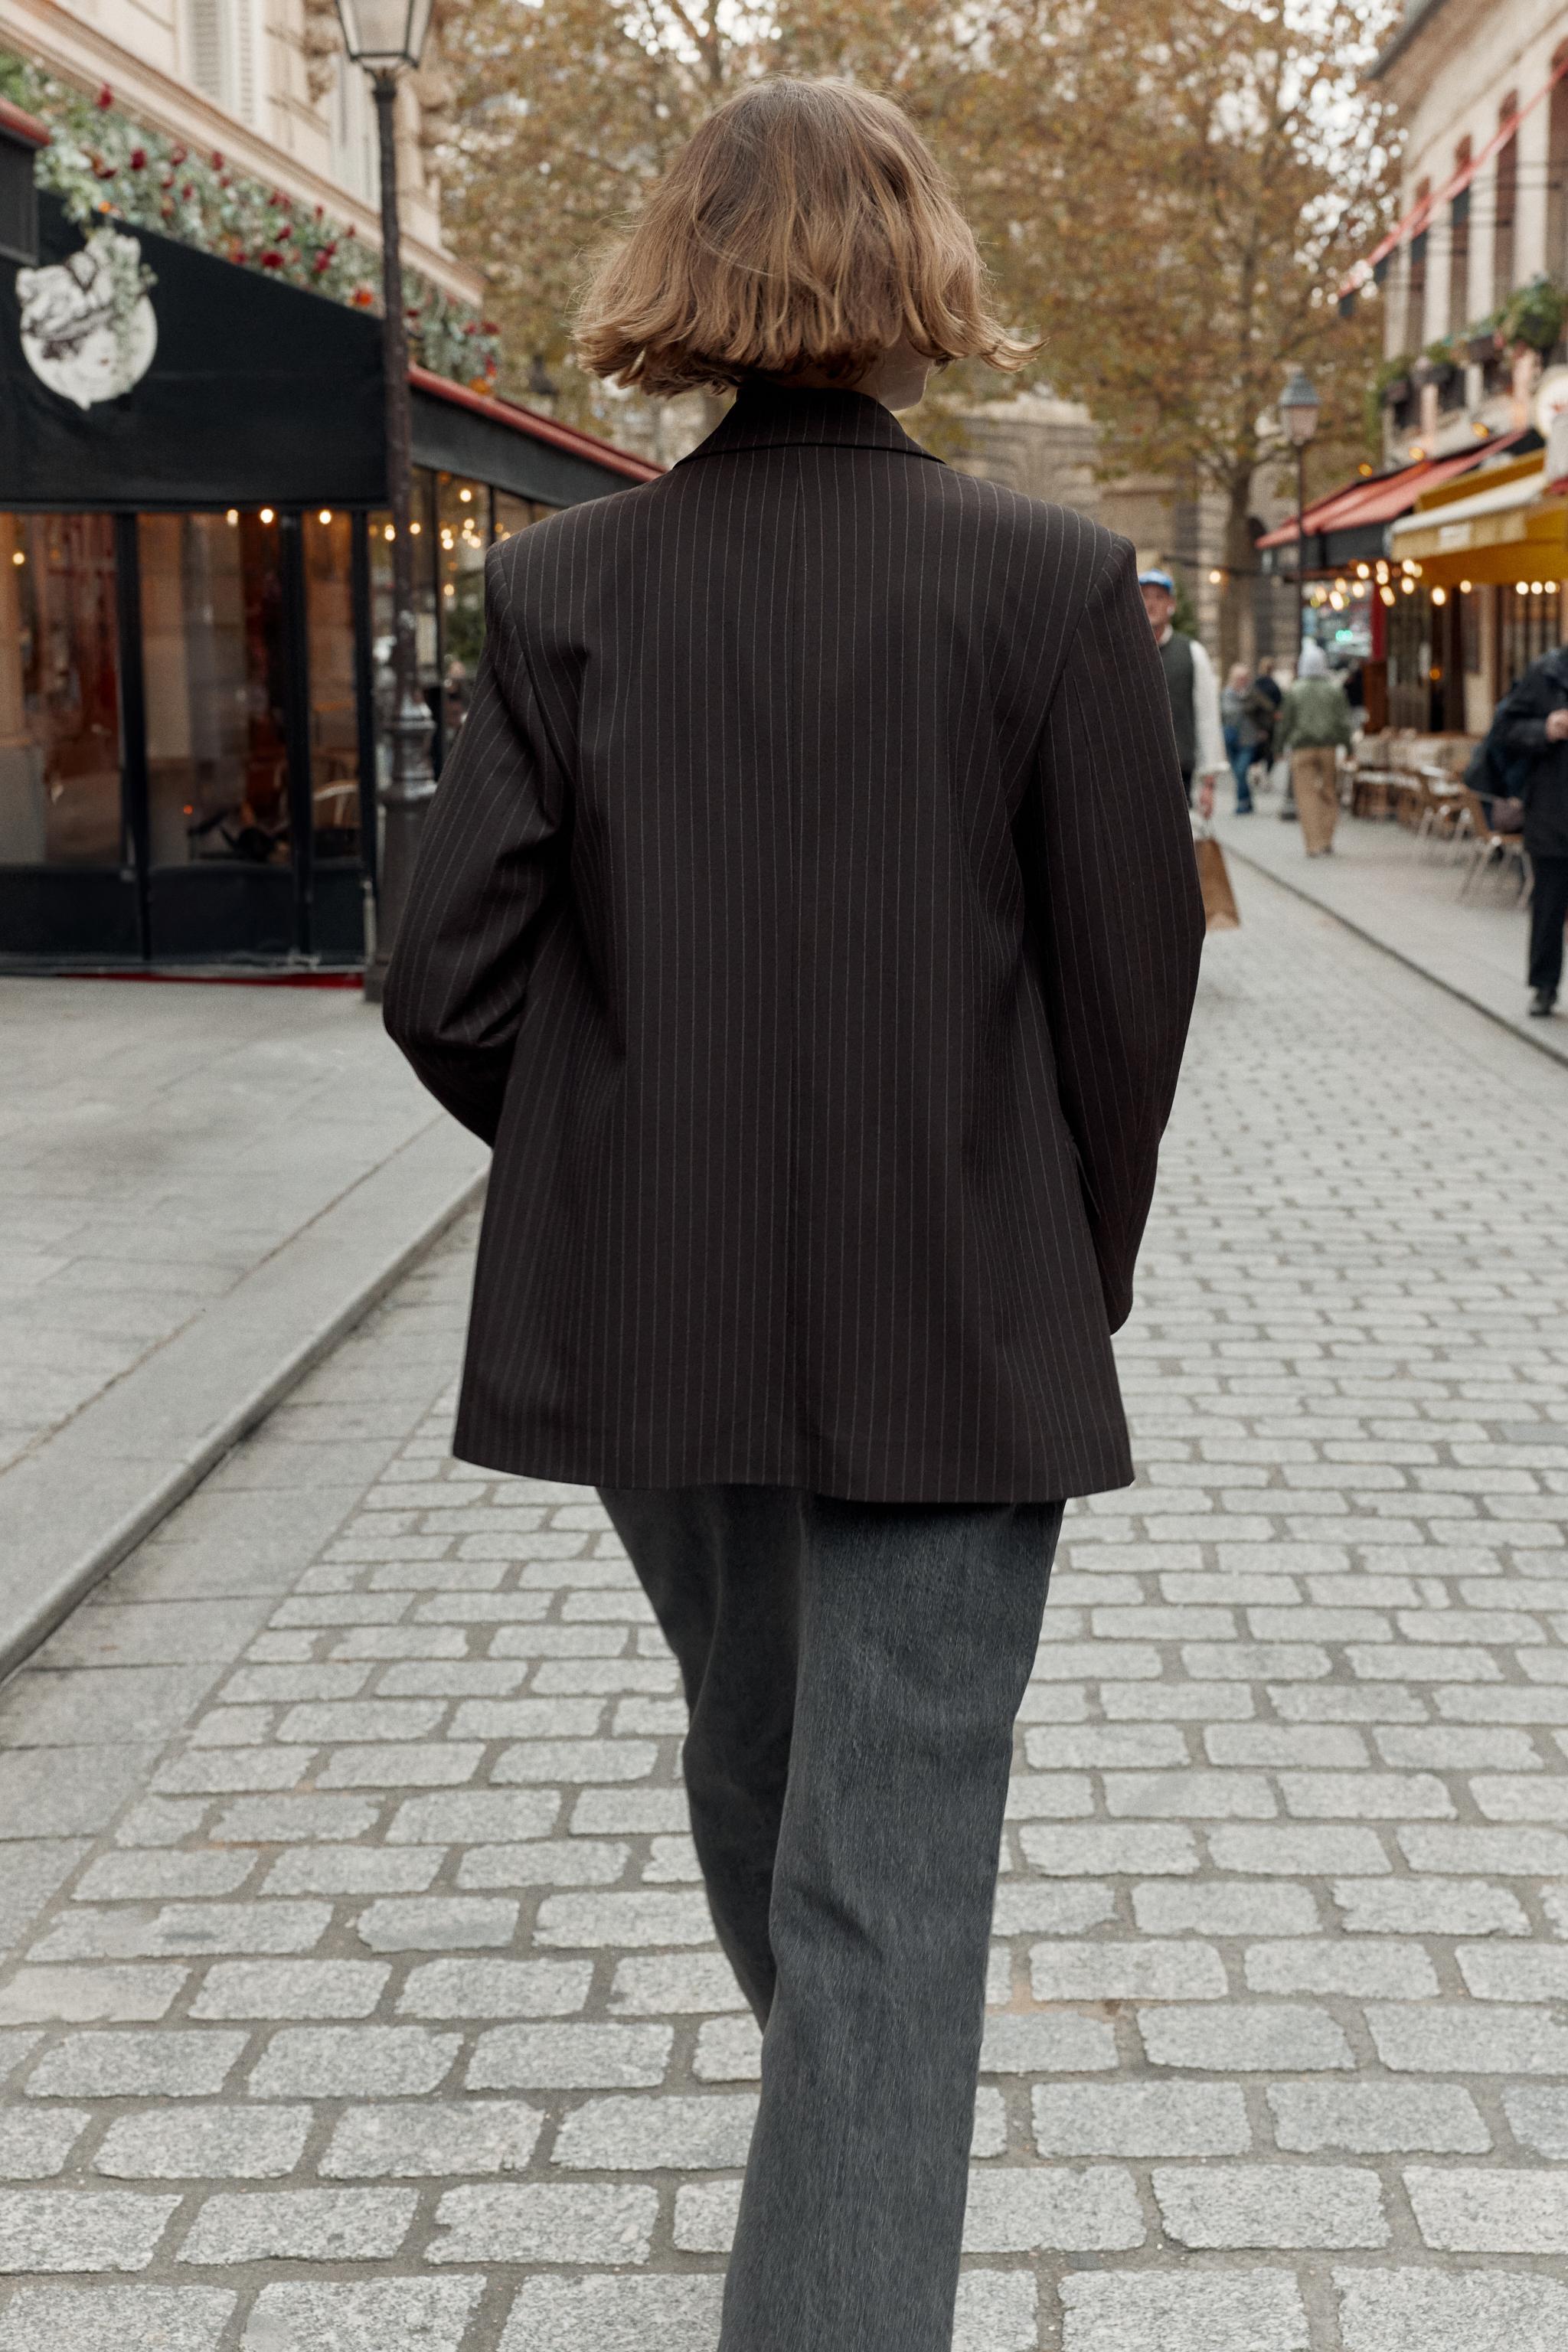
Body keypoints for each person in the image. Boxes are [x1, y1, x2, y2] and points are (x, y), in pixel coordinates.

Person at [384, 76, 1203, 2352]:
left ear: (679, 274)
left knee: (769, 1769)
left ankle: (830, 2132)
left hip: (667, 1329)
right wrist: (1065, 1260)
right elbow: (1128, 999)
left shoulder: (560, 587)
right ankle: (849, 2159)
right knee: (871, 1858)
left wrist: (619, 1163)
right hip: (951, 1314)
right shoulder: (1049, 587)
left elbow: (439, 979)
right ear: (913, 269)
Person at [1498, 645, 1568, 1016]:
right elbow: (1505, 730)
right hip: (1552, 811)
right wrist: (1545, 729)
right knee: (1549, 905)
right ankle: (1544, 985)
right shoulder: (1546, 673)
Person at [1138, 567, 1227, 809]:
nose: (1150, 604)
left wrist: (1208, 782)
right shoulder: (1123, 651)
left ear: (1171, 604)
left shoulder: (1191, 652)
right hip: (1130, 769)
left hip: (1177, 770)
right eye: (1144, 597)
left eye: (1159, 597)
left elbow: (1207, 716)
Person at [1276, 640, 1353, 854]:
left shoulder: (1295, 690)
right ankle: (1327, 839)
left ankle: (1313, 843)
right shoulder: (1334, 690)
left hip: (1302, 748)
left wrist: (1278, 747)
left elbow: (1286, 722)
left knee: (1306, 797)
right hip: (1328, 748)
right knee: (1329, 793)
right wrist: (1349, 747)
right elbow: (1343, 722)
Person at [1220, 659, 1257, 813]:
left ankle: (1242, 801)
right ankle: (1247, 798)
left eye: (1244, 678)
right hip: (1231, 739)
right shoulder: (1225, 695)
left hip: (1248, 739)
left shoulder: (1253, 695)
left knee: (1241, 770)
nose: (1241, 681)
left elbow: (1264, 713)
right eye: (1238, 678)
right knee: (1237, 773)